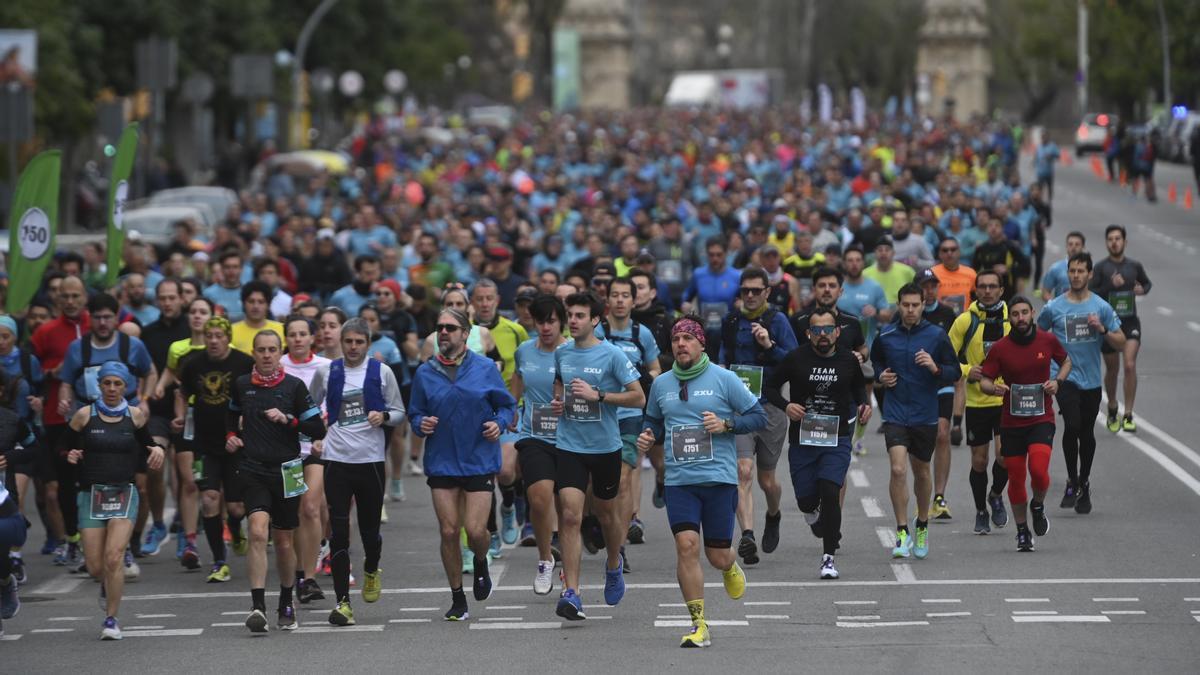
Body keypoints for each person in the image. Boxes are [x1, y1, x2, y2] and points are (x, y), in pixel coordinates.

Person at [637, 316, 767, 648]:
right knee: (686, 546)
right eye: (676, 339)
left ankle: (730, 566)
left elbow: (758, 416)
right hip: (680, 480)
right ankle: (699, 624)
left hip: (718, 479)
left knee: (717, 556)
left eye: (687, 338)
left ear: (701, 343)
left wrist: (726, 424)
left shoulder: (724, 379)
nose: (681, 344)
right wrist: (648, 435)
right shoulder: (663, 384)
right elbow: (653, 420)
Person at [408, 308, 517, 621]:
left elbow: (507, 406)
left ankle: (481, 560)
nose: (444, 332)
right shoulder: (425, 372)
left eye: (451, 328)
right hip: (442, 461)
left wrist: (499, 423)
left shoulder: (484, 367)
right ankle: (457, 597)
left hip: (478, 457)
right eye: (440, 327)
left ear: (465, 333)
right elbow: (414, 412)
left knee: (476, 530)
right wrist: (420, 423)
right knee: (448, 530)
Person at [549, 292, 645, 621]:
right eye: (569, 315)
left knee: (607, 517)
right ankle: (572, 592)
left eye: (579, 315)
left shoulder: (612, 355)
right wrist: (558, 404)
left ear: (594, 320)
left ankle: (614, 564)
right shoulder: (562, 354)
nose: (572, 321)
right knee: (571, 515)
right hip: (569, 446)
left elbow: (639, 398)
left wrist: (599, 395)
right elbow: (558, 389)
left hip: (605, 447)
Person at [225, 330, 326, 633]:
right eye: (261, 350)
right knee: (257, 531)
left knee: (283, 540)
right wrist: (231, 436)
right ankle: (257, 606)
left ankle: (285, 600)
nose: (267, 355)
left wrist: (289, 420)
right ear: (254, 353)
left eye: (272, 350)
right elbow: (230, 416)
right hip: (253, 469)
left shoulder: (294, 387)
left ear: (279, 352)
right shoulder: (242, 385)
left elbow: (317, 429)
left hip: (288, 470)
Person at [309, 318, 405, 626]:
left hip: (371, 462)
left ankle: (371, 568)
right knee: (338, 533)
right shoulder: (327, 372)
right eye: (348, 341)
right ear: (341, 341)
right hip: (337, 461)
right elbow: (310, 410)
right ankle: (343, 603)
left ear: (368, 343)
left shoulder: (382, 372)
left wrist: (384, 415)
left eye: (359, 342)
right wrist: (316, 438)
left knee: (369, 532)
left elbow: (400, 413)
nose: (353, 347)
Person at [764, 309, 871, 580]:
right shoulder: (796, 358)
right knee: (806, 500)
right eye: (817, 330)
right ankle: (811, 513)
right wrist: (786, 406)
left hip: (837, 437)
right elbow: (770, 387)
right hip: (803, 438)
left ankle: (828, 558)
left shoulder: (848, 360)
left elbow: (860, 387)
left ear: (837, 332)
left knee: (830, 490)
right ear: (808, 333)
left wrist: (864, 405)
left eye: (828, 330)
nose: (822, 335)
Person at [64, 362, 165, 640]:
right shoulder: (83, 416)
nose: (111, 389)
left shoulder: (135, 416)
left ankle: (111, 619)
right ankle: (106, 585)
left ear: (126, 387)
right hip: (91, 494)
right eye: (106, 383)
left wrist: (158, 450)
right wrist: (69, 456)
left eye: (117, 384)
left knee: (113, 557)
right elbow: (62, 449)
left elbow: (149, 446)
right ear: (99, 385)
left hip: (123, 492)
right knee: (97, 567)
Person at [58, 293, 156, 571]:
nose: (102, 322)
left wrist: (146, 401)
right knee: (92, 486)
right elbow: (66, 381)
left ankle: (127, 544)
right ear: (90, 318)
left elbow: (150, 373)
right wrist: (64, 401)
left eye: (108, 317)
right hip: (90, 423)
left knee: (138, 485)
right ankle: (93, 545)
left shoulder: (131, 345)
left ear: (117, 318)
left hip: (129, 424)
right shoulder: (78, 348)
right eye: (97, 317)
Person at [717, 267, 798, 567]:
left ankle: (773, 514)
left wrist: (769, 345)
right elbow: (721, 358)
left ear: (767, 291)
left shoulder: (778, 321)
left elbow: (794, 362)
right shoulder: (730, 322)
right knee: (743, 471)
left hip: (771, 407)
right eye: (744, 290)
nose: (749, 296)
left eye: (755, 290)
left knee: (767, 480)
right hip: (739, 408)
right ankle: (748, 535)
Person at [871, 283, 959, 559]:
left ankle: (921, 523)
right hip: (895, 413)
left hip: (925, 414)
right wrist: (881, 377)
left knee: (921, 472)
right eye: (905, 305)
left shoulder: (936, 336)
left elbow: (954, 371)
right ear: (898, 305)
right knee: (898, 470)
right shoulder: (885, 335)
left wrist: (935, 368)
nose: (910, 310)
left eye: (915, 305)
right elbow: (875, 364)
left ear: (923, 305)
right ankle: (901, 532)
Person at [978, 296, 1071, 552]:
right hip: (1011, 423)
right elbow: (985, 379)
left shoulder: (1047, 340)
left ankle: (1038, 505)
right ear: (1010, 319)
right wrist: (993, 388)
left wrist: (1058, 382)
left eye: (1024, 313)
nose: (1020, 318)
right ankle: (1022, 531)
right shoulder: (1000, 348)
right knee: (1017, 478)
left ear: (1032, 313)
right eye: (1015, 314)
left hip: (1041, 419)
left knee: (1039, 472)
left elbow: (1066, 361)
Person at [1037, 253, 1124, 514]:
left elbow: (1121, 341)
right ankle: (1072, 479)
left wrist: (1102, 330)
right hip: (1064, 377)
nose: (1075, 275)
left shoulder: (1100, 307)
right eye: (1072, 271)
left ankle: (1083, 482)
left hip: (1092, 380)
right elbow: (1038, 336)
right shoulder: (1054, 307)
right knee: (1072, 424)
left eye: (1080, 271)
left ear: (1089, 274)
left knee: (1086, 433)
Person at [178, 317, 255, 579]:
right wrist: (180, 417)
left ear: (227, 337)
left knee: (236, 508)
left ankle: (235, 526)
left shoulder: (244, 363)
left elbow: (252, 397)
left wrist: (245, 424)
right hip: (204, 445)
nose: (212, 340)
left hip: (236, 445)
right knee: (209, 499)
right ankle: (219, 561)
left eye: (218, 336)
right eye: (209, 335)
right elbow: (182, 392)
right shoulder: (193, 364)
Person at [596, 277, 662, 556]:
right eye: (615, 295)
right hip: (598, 413)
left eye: (626, 295)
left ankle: (619, 547)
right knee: (597, 484)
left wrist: (642, 379)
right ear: (607, 300)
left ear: (634, 301)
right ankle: (598, 524)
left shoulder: (642, 333)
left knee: (624, 479)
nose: (621, 300)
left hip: (631, 411)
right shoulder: (596, 331)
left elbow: (656, 369)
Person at [30, 276, 91, 565]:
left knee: (94, 480)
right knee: (66, 483)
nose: (70, 301)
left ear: (84, 298)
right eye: (65, 296)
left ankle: (103, 538)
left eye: (75, 296)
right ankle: (72, 540)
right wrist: (52, 371)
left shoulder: (98, 324)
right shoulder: (45, 332)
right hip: (58, 416)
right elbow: (31, 371)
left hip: (97, 416)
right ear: (57, 299)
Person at [510, 295, 567, 594]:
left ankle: (569, 568)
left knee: (569, 509)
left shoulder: (573, 352)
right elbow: (517, 379)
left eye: (551, 321)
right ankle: (545, 559)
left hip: (571, 438)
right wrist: (511, 409)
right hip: (534, 435)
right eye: (540, 321)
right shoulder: (524, 351)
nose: (545, 327)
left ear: (562, 322)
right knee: (540, 497)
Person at [950, 270, 1012, 534]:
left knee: (1005, 456)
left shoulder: (1013, 321)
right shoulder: (965, 321)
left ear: (1001, 290)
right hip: (976, 403)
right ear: (975, 291)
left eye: (992, 287)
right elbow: (946, 356)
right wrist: (966, 370)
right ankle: (980, 510)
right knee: (979, 461)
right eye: (982, 287)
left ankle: (996, 495)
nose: (987, 291)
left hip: (1006, 401)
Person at [279, 316, 331, 602]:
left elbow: (332, 405)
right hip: (286, 451)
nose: (298, 339)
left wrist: (325, 435)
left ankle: (309, 578)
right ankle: (299, 572)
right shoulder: (278, 367)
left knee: (311, 508)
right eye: (293, 334)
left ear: (313, 337)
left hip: (315, 448)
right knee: (294, 512)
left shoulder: (325, 367)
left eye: (303, 334)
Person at [138, 279, 189, 558]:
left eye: (172, 297)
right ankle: (158, 525)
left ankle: (183, 527)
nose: (168, 302)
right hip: (156, 409)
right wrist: (143, 398)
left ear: (181, 298)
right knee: (155, 465)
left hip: (186, 410)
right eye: (163, 298)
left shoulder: (191, 330)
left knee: (183, 475)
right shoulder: (148, 333)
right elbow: (142, 371)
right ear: (157, 300)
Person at [1089, 225, 1151, 432]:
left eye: (1118, 238)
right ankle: (1113, 405)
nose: (1114, 242)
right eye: (1110, 239)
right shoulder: (1100, 268)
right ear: (1106, 242)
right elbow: (1091, 292)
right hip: (1109, 324)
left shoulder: (1134, 265)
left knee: (1130, 365)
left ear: (1125, 242)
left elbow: (1147, 284)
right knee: (1113, 369)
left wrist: (1141, 289)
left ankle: (1128, 414)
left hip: (1130, 322)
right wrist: (1110, 286)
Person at [916, 271, 961, 519]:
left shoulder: (947, 314)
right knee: (921, 441)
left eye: (933, 285)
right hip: (916, 386)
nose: (930, 290)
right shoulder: (908, 313)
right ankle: (922, 493)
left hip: (941, 381)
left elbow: (954, 355)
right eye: (925, 286)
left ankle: (940, 496)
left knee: (942, 435)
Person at [1, 372, 38, 638]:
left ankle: (5, 582)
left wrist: (10, 457)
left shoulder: (12, 421)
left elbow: (35, 449)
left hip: (4, 498)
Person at [683, 236, 741, 357]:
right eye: (711, 255)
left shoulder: (737, 276)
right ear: (706, 254)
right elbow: (686, 296)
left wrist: (741, 303)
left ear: (726, 254)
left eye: (719, 255)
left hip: (728, 331)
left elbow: (744, 299)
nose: (715, 258)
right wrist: (685, 304)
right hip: (705, 331)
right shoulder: (698, 274)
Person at [231, 281, 286, 355]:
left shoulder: (283, 330)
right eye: (251, 301)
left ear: (268, 305)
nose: (256, 306)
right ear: (243, 304)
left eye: (261, 302)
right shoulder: (231, 332)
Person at [1040, 231, 1086, 302]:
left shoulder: (1090, 269)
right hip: (1062, 312)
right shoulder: (1056, 268)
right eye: (1070, 244)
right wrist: (1054, 306)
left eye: (1077, 244)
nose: (1073, 247)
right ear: (1066, 246)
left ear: (1083, 247)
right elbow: (1045, 292)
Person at [203, 251, 247, 321]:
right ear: (222, 269)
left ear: (241, 269)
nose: (231, 271)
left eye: (235, 267)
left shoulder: (248, 292)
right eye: (227, 267)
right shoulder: (209, 293)